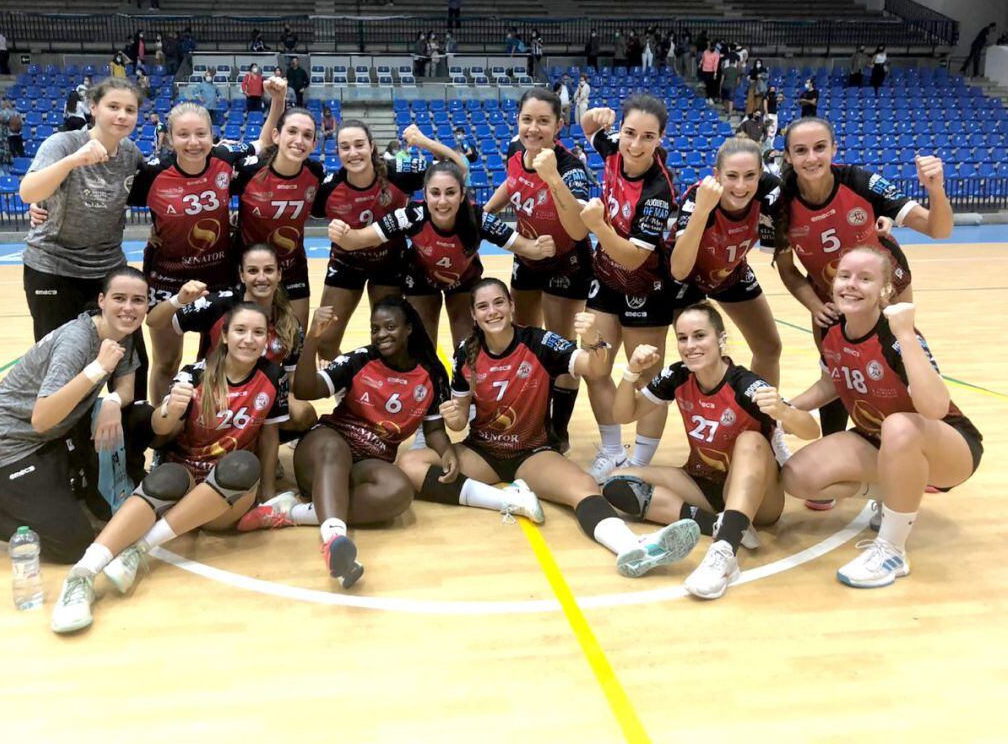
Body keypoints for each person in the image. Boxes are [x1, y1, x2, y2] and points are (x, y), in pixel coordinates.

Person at [398, 278, 700, 577]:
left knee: (584, 488)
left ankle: (632, 547)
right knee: (410, 463)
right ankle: (508, 501)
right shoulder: (467, 352)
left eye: (499, 302)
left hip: (531, 454)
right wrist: (453, 418)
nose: (492, 311)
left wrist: (594, 339)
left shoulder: (540, 343)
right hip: (483, 450)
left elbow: (595, 369)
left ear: (512, 306)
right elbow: (461, 419)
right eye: (483, 306)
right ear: (474, 315)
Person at [49, 302, 293, 633]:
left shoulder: (273, 377)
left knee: (241, 465)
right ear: (223, 336)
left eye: (258, 333)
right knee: (168, 475)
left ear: (266, 339)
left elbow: (269, 436)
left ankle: (137, 550)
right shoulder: (195, 374)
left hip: (227, 498)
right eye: (240, 330)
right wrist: (170, 410)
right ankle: (82, 574)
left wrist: (266, 493)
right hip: (185, 484)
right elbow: (161, 429)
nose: (249, 339)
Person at [764, 117, 954, 504]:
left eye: (820, 147)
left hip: (886, 286)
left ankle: (923, 453)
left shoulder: (860, 182)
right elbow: (787, 271)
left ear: (834, 150)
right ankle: (842, 460)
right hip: (832, 296)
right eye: (800, 150)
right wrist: (816, 306)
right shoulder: (780, 204)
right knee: (839, 372)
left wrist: (936, 190)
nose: (811, 157)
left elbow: (938, 229)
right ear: (788, 156)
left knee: (895, 365)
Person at [781, 247, 982, 588]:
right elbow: (832, 383)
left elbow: (935, 409)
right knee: (798, 478)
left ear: (885, 290)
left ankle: (892, 550)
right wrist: (786, 407)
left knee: (899, 425)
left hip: (947, 446)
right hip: (881, 440)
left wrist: (906, 333)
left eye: (865, 278)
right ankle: (893, 492)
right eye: (844, 276)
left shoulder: (898, 335)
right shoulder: (834, 332)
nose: (851, 285)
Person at [0, 268, 153, 565]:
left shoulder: (123, 333)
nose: (128, 308)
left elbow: (127, 384)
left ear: (147, 304)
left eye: (137, 300)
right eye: (119, 298)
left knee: (84, 505)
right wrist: (98, 369)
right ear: (102, 300)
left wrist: (113, 401)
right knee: (72, 544)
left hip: (46, 441)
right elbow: (41, 418)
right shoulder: (77, 341)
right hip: (6, 449)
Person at [604, 303, 818, 599]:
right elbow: (623, 414)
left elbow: (811, 431)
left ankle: (725, 552)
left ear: (721, 339)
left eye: (699, 336)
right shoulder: (678, 376)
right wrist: (631, 372)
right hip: (702, 484)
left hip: (758, 498)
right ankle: (721, 524)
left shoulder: (745, 385)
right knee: (617, 481)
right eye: (682, 338)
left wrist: (785, 410)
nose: (690, 346)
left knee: (751, 441)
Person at [122, 93, 281, 402]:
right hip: (167, 278)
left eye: (200, 134)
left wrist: (278, 101)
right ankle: (162, 433)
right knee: (167, 362)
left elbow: (264, 144)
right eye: (183, 134)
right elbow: (111, 199)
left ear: (212, 135)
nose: (193, 142)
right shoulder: (152, 174)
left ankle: (207, 423)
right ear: (169, 138)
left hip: (218, 277)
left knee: (214, 360)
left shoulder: (225, 158)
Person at [286, 298, 455, 587]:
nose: (381, 335)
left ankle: (295, 513)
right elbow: (303, 389)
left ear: (409, 329)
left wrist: (447, 451)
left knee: (399, 491)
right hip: (323, 449)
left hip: (367, 464)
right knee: (334, 448)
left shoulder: (432, 374)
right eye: (375, 328)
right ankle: (334, 540)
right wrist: (313, 338)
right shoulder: (361, 359)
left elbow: (434, 428)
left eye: (390, 327)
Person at [576, 97, 695, 480]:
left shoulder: (659, 190)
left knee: (647, 378)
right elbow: (590, 129)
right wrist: (592, 117)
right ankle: (611, 450)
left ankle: (639, 464)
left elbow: (632, 258)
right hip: (605, 278)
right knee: (595, 367)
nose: (635, 145)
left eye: (647, 137)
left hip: (647, 284)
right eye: (629, 133)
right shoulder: (614, 147)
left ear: (661, 139)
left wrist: (597, 226)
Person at [329, 159, 554, 349]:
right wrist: (343, 234)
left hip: (463, 282)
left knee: (468, 347)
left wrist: (542, 247)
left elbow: (526, 247)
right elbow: (358, 239)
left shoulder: (477, 218)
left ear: (462, 194)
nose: (443, 201)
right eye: (435, 193)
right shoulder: (411, 215)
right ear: (425, 194)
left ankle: (468, 399)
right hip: (421, 281)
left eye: (450, 192)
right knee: (421, 347)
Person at [484, 88, 592, 454]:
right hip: (527, 259)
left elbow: (578, 227)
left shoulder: (571, 168)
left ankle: (557, 430)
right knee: (524, 339)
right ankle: (530, 412)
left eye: (543, 121)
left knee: (560, 348)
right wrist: (487, 210)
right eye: (527, 120)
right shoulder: (516, 151)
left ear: (559, 125)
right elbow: (512, 183)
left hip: (567, 261)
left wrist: (553, 178)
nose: (533, 128)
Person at [18, 78, 147, 375]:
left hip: (107, 269)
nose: (122, 115)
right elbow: (28, 191)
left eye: (130, 109)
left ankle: (127, 415)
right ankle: (61, 421)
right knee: (60, 363)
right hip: (53, 268)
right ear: (93, 107)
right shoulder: (64, 144)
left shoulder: (130, 154)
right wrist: (72, 162)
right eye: (113, 106)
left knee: (133, 363)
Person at [311, 121, 463, 363]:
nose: (353, 153)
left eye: (359, 145)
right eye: (345, 147)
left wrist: (423, 141)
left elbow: (457, 167)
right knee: (325, 344)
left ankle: (380, 387)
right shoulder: (328, 188)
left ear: (371, 146)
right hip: (346, 264)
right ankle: (351, 389)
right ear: (337, 151)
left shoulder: (398, 172)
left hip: (390, 265)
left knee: (386, 340)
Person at [147, 244, 316, 436]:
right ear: (242, 275)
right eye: (253, 271)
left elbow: (291, 378)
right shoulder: (219, 304)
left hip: (257, 395)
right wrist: (179, 300)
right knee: (172, 415)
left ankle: (258, 445)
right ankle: (167, 448)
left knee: (302, 413)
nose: (261, 278)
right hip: (213, 389)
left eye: (268, 270)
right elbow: (154, 321)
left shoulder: (290, 324)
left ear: (279, 274)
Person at [669, 138, 783, 387]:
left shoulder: (771, 193)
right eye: (732, 176)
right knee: (701, 355)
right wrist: (701, 211)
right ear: (717, 175)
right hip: (686, 279)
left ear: (761, 174)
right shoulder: (699, 197)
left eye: (750, 175)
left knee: (769, 347)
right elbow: (678, 269)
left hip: (729, 271)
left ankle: (765, 418)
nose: (741, 186)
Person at [234, 99, 325, 325]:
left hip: (293, 267)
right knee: (249, 336)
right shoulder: (249, 170)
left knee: (297, 340)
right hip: (252, 269)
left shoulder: (315, 173)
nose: (298, 140)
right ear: (276, 136)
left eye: (307, 135)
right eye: (292, 132)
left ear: (314, 144)